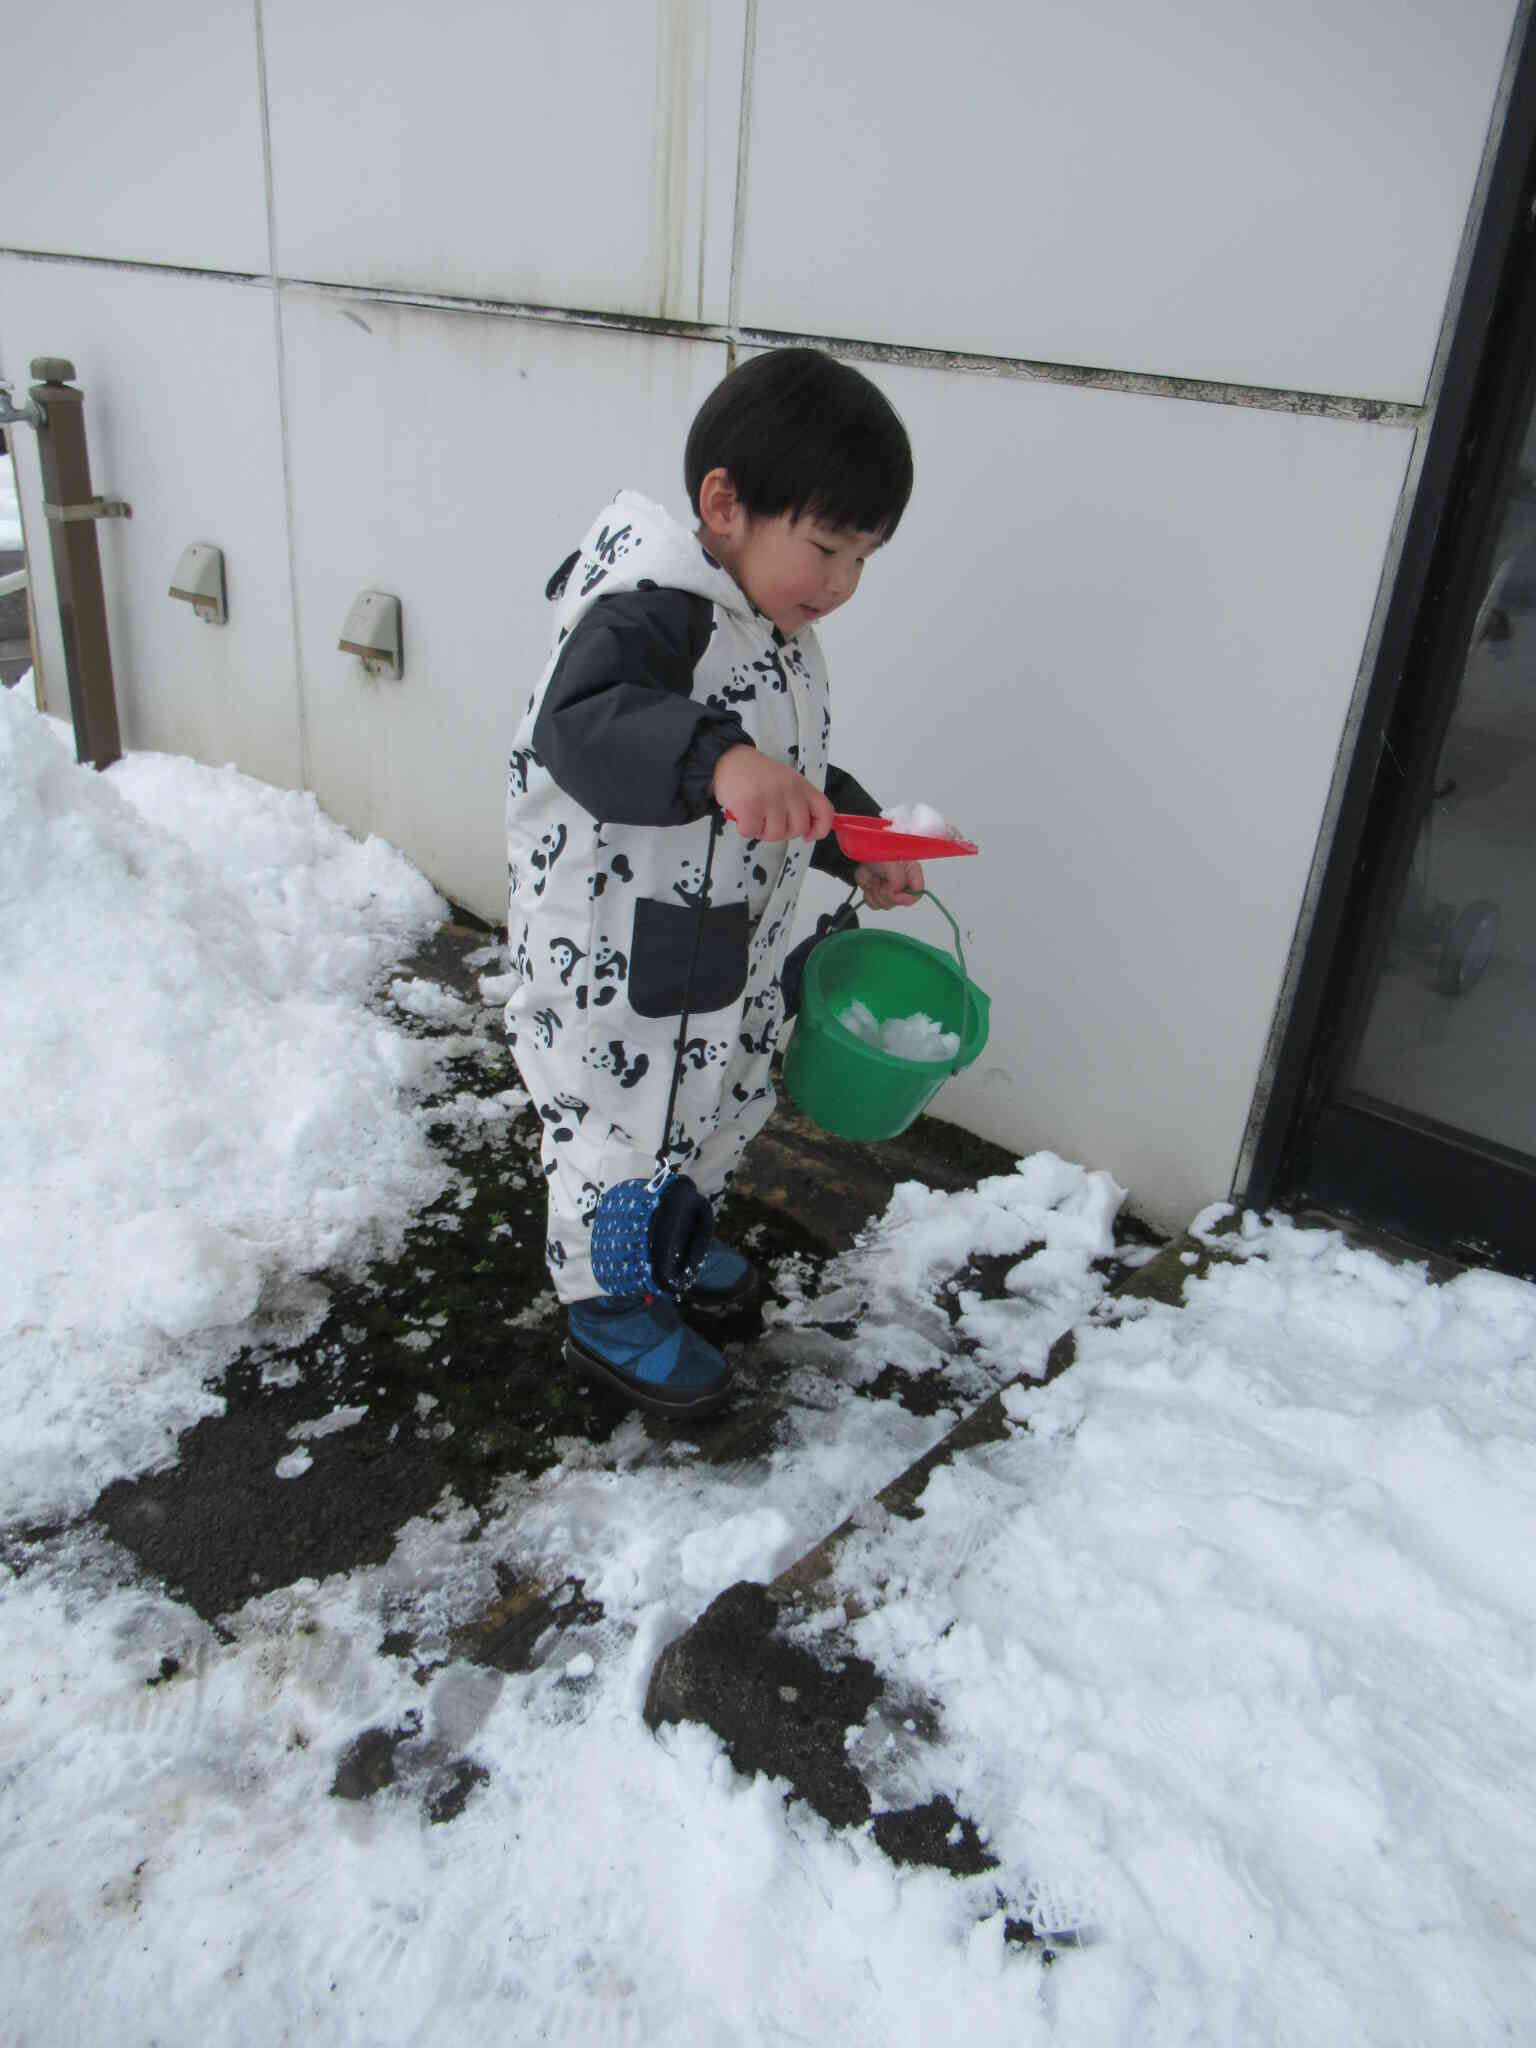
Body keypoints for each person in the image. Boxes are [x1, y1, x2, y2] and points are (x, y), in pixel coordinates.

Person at [504, 346, 921, 1417]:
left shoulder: (772, 625)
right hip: (617, 946)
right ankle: (607, 1299)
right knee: (623, 1121)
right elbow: (585, 719)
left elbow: (794, 771)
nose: (840, 584)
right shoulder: (654, 607)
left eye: (864, 558)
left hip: (723, 935)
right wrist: (716, 761)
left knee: (720, 1094)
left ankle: (670, 1239)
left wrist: (857, 837)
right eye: (826, 546)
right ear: (726, 504)